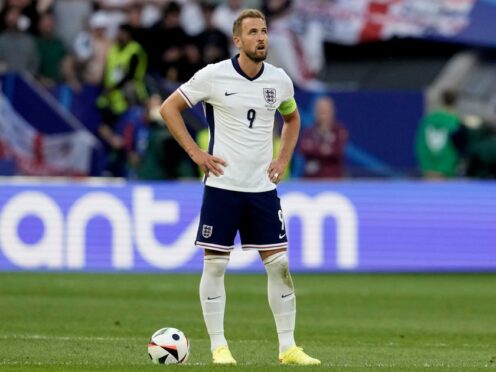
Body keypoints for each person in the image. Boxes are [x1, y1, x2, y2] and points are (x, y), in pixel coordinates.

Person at [159, 9, 320, 366]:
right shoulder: (214, 76)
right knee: (215, 266)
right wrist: (196, 152)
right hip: (223, 187)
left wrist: (283, 159)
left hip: (262, 189)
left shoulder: (279, 81)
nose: (261, 37)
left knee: (279, 265)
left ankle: (288, 348)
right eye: (252, 32)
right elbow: (169, 108)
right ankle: (219, 346)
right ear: (238, 40)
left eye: (263, 31)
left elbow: (292, 119)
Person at [415, 89, 461, 179]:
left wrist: (426, 165)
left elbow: (420, 144)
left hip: (429, 165)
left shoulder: (428, 119)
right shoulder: (456, 122)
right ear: (456, 102)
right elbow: (459, 146)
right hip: (446, 167)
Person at [299, 96, 348, 178]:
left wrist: (315, 149)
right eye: (320, 111)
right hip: (311, 181)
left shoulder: (339, 131)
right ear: (315, 113)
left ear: (332, 112)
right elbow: (303, 149)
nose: (323, 115)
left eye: (326, 111)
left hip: (333, 181)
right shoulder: (308, 132)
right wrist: (325, 149)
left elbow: (337, 151)